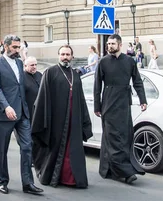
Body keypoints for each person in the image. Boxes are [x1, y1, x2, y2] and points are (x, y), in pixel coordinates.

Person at [0, 34, 43, 196]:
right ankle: (3, 181)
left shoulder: (20, 63)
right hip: (5, 114)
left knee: (27, 147)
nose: (17, 50)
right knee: (2, 149)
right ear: (5, 46)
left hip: (22, 113)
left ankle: (28, 183)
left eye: (19, 47)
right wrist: (6, 107)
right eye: (14, 47)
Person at [32, 45, 92, 188]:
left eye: (68, 54)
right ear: (58, 56)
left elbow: (81, 99)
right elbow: (42, 99)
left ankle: (72, 178)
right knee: (57, 148)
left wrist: (84, 120)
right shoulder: (50, 73)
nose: (65, 57)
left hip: (74, 118)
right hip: (57, 119)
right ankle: (55, 177)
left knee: (73, 148)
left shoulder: (75, 74)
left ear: (72, 56)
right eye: (62, 54)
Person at [94, 34, 147, 184]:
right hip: (108, 103)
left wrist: (143, 100)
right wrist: (97, 106)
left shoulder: (129, 61)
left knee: (124, 136)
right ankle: (126, 172)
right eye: (108, 44)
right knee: (112, 138)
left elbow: (137, 82)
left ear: (120, 45)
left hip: (124, 103)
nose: (109, 46)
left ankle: (108, 168)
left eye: (112, 44)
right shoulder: (103, 62)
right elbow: (97, 85)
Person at [23, 56, 42, 121]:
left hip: (39, 110)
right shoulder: (21, 77)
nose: (34, 67)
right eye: (32, 65)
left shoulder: (39, 75)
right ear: (25, 66)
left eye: (36, 64)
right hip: (28, 112)